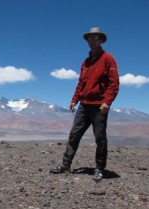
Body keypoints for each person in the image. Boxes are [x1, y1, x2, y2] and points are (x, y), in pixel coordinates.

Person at [50, 27, 119, 182]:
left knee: (100, 138)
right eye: (89, 38)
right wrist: (74, 99)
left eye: (95, 38)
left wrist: (107, 101)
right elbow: (81, 83)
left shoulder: (108, 59)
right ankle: (65, 165)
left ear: (101, 40)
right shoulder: (86, 62)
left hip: (99, 105)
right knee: (74, 135)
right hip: (84, 104)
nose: (91, 41)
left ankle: (99, 169)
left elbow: (113, 83)